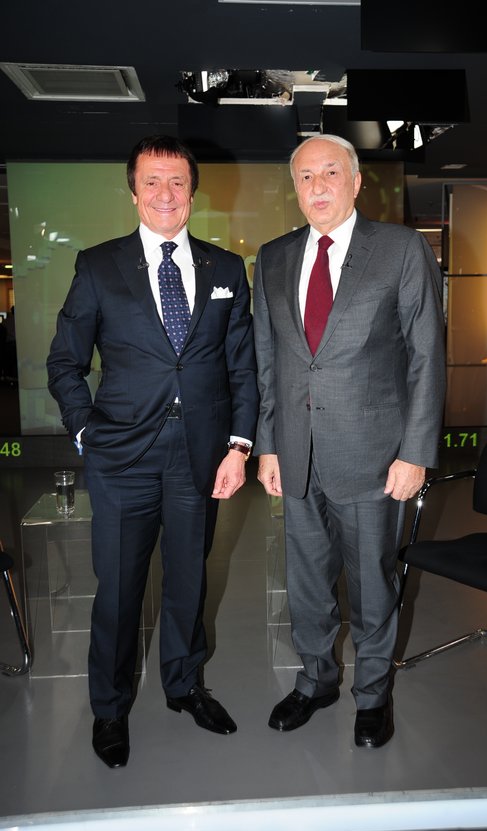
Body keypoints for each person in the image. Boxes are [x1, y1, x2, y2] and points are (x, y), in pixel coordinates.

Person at [47, 135, 259, 768]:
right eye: (151, 182)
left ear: (193, 191)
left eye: (177, 182)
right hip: (122, 458)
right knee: (118, 590)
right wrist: (86, 432)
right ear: (133, 192)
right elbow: (64, 363)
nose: (165, 194)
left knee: (189, 580)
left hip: (201, 456)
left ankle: (184, 684)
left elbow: (242, 368)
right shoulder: (98, 266)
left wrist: (239, 446)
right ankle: (110, 709)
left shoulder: (226, 269)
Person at [253, 134, 445, 748]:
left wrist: (415, 453)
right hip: (297, 453)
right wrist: (268, 444)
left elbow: (426, 356)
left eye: (330, 172)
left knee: (371, 585)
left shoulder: (400, 249)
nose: (318, 186)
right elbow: (268, 361)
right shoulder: (274, 257)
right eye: (305, 176)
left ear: (357, 182)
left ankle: (373, 694)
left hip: (375, 457)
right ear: (295, 188)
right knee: (307, 584)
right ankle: (316, 681)